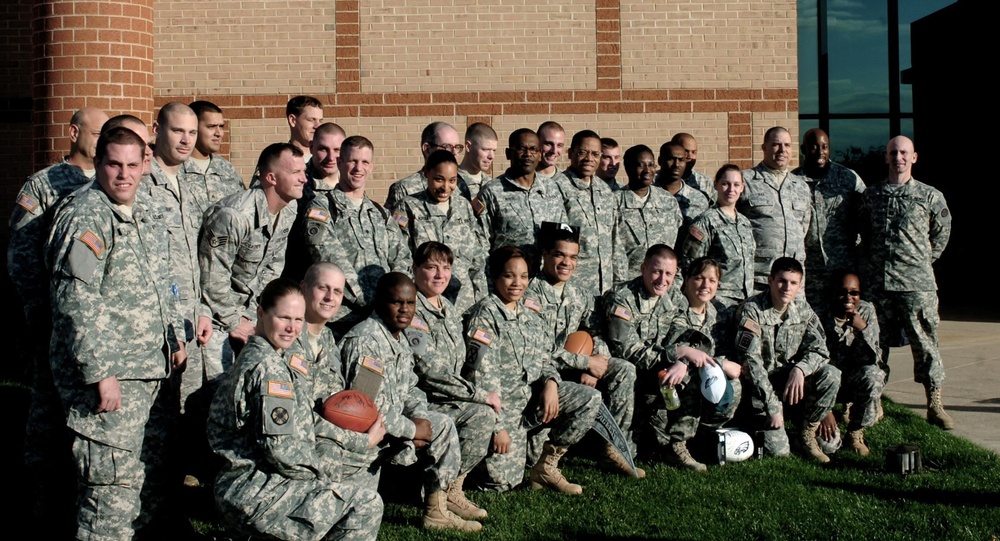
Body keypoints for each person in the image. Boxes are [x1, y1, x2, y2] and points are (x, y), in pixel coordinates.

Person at [47, 126, 187, 539]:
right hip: (111, 382)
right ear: (99, 164)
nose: (124, 175)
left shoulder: (145, 208)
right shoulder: (85, 216)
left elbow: (165, 279)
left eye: (132, 164)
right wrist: (99, 372)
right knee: (109, 497)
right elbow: (76, 301)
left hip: (151, 372)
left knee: (144, 486)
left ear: (145, 164)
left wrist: (174, 337)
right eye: (114, 164)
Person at [207, 279, 384, 541]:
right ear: (260, 313)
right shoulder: (269, 370)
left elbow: (300, 424)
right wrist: (323, 476)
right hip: (255, 490)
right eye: (283, 318)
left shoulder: (264, 356)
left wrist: (354, 444)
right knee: (365, 504)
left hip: (247, 482)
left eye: (298, 320)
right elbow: (282, 451)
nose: (292, 328)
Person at [9, 106, 108, 532]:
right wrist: (41, 312)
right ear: (73, 132)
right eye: (96, 131)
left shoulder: (110, 182)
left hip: (100, 326)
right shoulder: (45, 184)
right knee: (47, 418)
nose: (102, 139)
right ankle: (43, 504)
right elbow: (22, 254)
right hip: (55, 321)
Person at [341, 273, 481, 532]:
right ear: (380, 301)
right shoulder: (366, 341)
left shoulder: (398, 335)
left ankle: (436, 510)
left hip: (395, 425)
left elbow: (411, 387)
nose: (405, 310)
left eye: (410, 303)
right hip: (366, 438)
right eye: (397, 302)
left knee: (442, 425)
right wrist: (412, 430)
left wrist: (420, 419)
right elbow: (367, 410)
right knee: (353, 516)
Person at [464, 246, 602, 494]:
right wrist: (498, 427)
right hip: (503, 409)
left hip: (531, 401)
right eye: (509, 276)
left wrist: (551, 382)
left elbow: (546, 356)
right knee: (501, 484)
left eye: (524, 276)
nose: (518, 283)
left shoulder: (530, 314)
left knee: (589, 398)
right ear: (495, 277)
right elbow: (482, 379)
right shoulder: (485, 316)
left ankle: (546, 466)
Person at [525, 225, 641, 477]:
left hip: (572, 365)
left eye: (573, 257)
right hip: (540, 375)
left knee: (624, 370)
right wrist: (585, 362)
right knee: (521, 463)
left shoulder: (578, 293)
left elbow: (596, 330)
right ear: (545, 254)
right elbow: (539, 350)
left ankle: (611, 450)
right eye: (559, 255)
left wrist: (597, 363)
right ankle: (548, 456)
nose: (567, 262)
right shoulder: (530, 294)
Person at [860, 135, 953, 429]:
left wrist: (921, 261)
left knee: (926, 344)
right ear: (886, 157)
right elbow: (862, 234)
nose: (898, 157)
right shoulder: (871, 196)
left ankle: (934, 403)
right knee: (874, 346)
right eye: (893, 152)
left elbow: (941, 235)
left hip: (917, 285)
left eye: (904, 153)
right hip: (879, 285)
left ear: (914, 157)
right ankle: (872, 402)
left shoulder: (930, 196)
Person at [199, 143, 305, 388]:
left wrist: (255, 316)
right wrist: (236, 321)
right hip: (215, 317)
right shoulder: (234, 216)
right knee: (220, 390)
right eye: (295, 173)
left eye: (303, 171)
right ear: (271, 177)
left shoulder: (289, 210)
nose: (303, 179)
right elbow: (212, 279)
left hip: (250, 315)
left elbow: (273, 266)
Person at [405, 242, 497, 519]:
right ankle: (433, 494)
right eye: (431, 267)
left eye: (446, 268)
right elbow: (431, 371)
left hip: (451, 397)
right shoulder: (412, 310)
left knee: (482, 417)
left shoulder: (448, 307)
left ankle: (452, 488)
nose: (439, 275)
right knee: (480, 409)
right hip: (424, 401)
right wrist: (479, 394)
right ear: (415, 269)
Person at [602, 245, 715, 469]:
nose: (662, 279)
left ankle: (677, 444)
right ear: (643, 268)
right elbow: (628, 351)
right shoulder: (621, 298)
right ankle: (613, 445)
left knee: (696, 367)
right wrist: (676, 354)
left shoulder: (675, 297)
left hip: (660, 374)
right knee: (634, 450)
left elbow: (687, 337)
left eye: (669, 274)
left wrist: (682, 362)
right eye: (656, 271)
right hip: (628, 377)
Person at [732, 257, 841, 462]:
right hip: (762, 394)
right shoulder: (752, 310)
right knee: (778, 452)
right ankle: (766, 425)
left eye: (793, 283)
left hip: (793, 388)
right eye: (782, 281)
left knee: (831, 375)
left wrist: (800, 369)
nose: (786, 287)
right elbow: (751, 364)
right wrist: (773, 407)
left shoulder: (802, 309)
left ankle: (807, 432)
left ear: (799, 286)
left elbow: (820, 350)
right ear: (771, 279)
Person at [286, 263, 387, 482]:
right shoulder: (287, 338)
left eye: (337, 291)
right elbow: (296, 416)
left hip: (324, 433)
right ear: (303, 287)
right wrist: (356, 440)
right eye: (323, 288)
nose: (330, 297)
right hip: (296, 437)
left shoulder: (328, 339)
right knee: (345, 452)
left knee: (370, 452)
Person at [302, 135, 412, 332]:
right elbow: (328, 256)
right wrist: (368, 301)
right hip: (343, 320)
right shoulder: (322, 207)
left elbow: (402, 258)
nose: (358, 168)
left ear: (371, 166)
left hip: (382, 320)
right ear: (340, 162)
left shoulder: (380, 213)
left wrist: (393, 300)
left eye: (365, 162)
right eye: (353, 161)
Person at [663, 257, 744, 469]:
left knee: (732, 385)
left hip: (704, 375)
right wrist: (718, 363)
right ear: (687, 280)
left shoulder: (716, 316)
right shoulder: (674, 310)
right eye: (699, 278)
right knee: (690, 379)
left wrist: (722, 364)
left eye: (712, 280)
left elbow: (723, 351)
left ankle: (702, 436)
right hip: (670, 379)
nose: (705, 285)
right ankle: (677, 444)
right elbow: (671, 348)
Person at [392, 150, 488, 314]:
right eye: (439, 179)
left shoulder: (463, 206)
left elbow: (477, 258)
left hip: (464, 304)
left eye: (452, 180)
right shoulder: (408, 207)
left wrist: (481, 300)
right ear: (426, 174)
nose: (445, 187)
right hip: (425, 302)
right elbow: (400, 257)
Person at [791, 128, 866, 308]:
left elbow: (867, 213)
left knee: (844, 320)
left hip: (843, 265)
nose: (820, 152)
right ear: (803, 149)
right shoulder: (792, 181)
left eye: (825, 147)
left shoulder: (848, 178)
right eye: (814, 147)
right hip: (809, 268)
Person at [473, 128, 567, 261]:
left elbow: (563, 235)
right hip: (509, 278)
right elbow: (480, 246)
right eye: (521, 148)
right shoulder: (491, 192)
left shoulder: (552, 188)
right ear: (508, 153)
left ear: (539, 154)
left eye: (533, 149)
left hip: (544, 278)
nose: (528, 154)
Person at [738, 127, 812, 289]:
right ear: (764, 148)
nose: (782, 150)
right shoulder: (745, 181)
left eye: (787, 145)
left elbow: (803, 227)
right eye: (776, 145)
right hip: (760, 277)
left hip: (794, 280)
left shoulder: (801, 186)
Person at [821, 271, 885, 456]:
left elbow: (875, 358)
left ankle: (855, 432)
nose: (848, 298)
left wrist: (863, 329)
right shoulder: (819, 313)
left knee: (873, 375)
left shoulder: (866, 311)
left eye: (854, 293)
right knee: (828, 445)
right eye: (842, 292)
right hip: (825, 384)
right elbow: (812, 361)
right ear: (833, 293)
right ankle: (813, 422)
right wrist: (825, 410)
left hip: (852, 379)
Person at [680, 164, 756, 311]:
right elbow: (691, 264)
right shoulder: (705, 222)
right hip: (718, 303)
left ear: (742, 188)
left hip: (745, 302)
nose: (731, 189)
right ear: (716, 185)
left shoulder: (744, 223)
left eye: (736, 185)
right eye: (725, 184)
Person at [552, 130, 619, 297]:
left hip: (606, 289)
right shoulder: (556, 188)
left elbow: (615, 241)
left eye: (595, 154)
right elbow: (554, 245)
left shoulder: (604, 190)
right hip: (573, 290)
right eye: (582, 152)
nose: (589, 158)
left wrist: (619, 284)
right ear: (570, 153)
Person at [282, 122, 347, 282]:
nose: (331, 157)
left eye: (337, 150)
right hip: (303, 277)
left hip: (343, 278)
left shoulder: (350, 183)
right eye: (323, 149)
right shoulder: (297, 184)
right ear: (311, 147)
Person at [614, 144, 682, 282]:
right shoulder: (613, 203)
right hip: (629, 284)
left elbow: (677, 244)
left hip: (665, 284)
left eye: (651, 165)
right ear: (628, 168)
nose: (647, 170)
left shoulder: (668, 201)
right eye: (641, 165)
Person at [384, 121, 463, 211]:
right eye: (447, 147)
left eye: (457, 147)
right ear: (427, 149)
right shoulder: (404, 188)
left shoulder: (461, 186)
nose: (454, 153)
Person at [185, 100, 245, 208]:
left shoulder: (226, 168)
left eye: (221, 127)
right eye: (211, 126)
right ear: (193, 128)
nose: (218, 133)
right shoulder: (175, 168)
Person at [656, 141, 710, 249]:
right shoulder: (649, 195)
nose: (676, 164)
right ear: (660, 161)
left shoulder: (699, 200)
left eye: (681, 160)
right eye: (671, 159)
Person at [458, 122, 498, 200]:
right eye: (486, 149)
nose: (491, 156)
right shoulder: (451, 183)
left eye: (494, 150)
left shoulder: (491, 184)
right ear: (468, 146)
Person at [671, 132, 715, 202]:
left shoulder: (704, 182)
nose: (690, 156)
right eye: (686, 151)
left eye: (694, 152)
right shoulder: (654, 180)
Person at [286, 95, 324, 162]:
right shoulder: (280, 161)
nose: (317, 126)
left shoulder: (329, 160)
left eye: (320, 121)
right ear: (292, 120)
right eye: (311, 119)